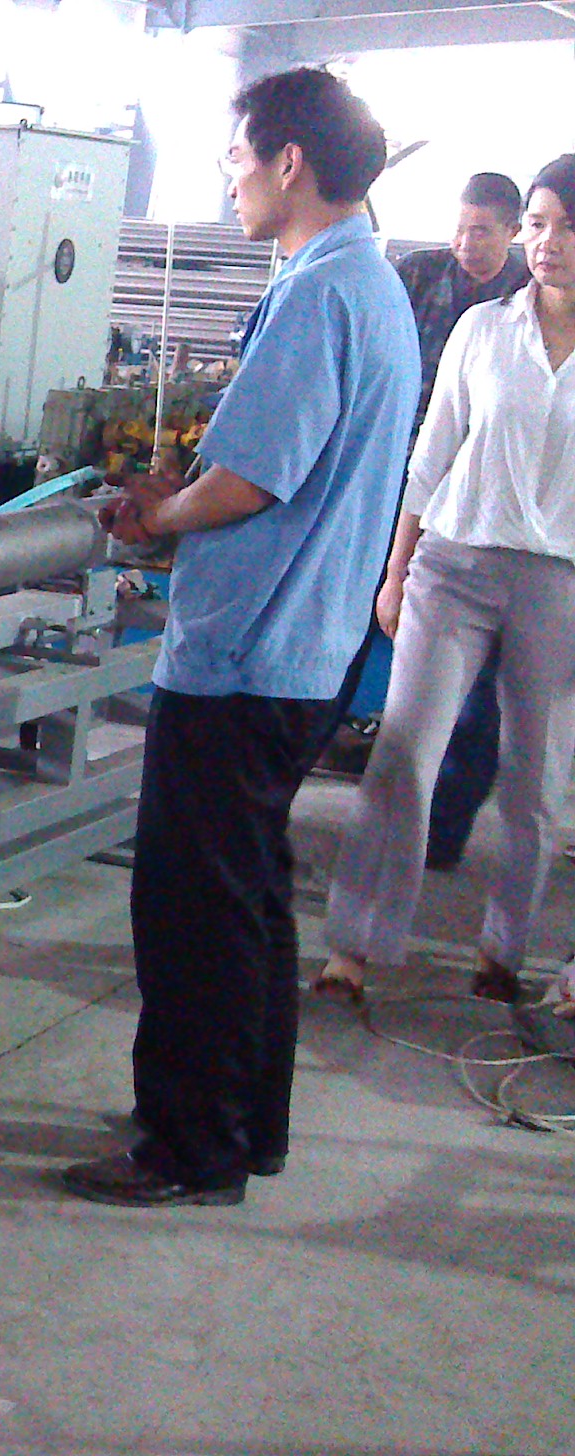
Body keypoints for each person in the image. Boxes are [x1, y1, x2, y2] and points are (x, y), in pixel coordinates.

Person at [60, 68, 418, 1208]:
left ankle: (189, 1147)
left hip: (249, 652)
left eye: (236, 159)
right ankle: (246, 1122)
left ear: (289, 162)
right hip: (307, 649)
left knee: (193, 909)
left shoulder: (318, 294)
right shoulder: (371, 285)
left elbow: (253, 480)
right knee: (252, 897)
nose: (229, 182)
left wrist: (160, 512)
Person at [316, 156, 575, 1015]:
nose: (547, 243)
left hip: (559, 584)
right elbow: (430, 456)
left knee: (534, 783)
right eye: (537, 224)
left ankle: (503, 952)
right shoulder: (483, 330)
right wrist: (396, 571)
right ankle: (354, 947)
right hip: (452, 568)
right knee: (401, 758)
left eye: (566, 227)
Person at [333, 173, 532, 862]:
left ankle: (440, 833)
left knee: (483, 685)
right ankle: (297, 769)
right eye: (460, 228)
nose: (465, 244)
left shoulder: (529, 303)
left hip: (483, 509)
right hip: (396, 479)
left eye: (482, 232)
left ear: (512, 233)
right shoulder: (416, 276)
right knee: (352, 626)